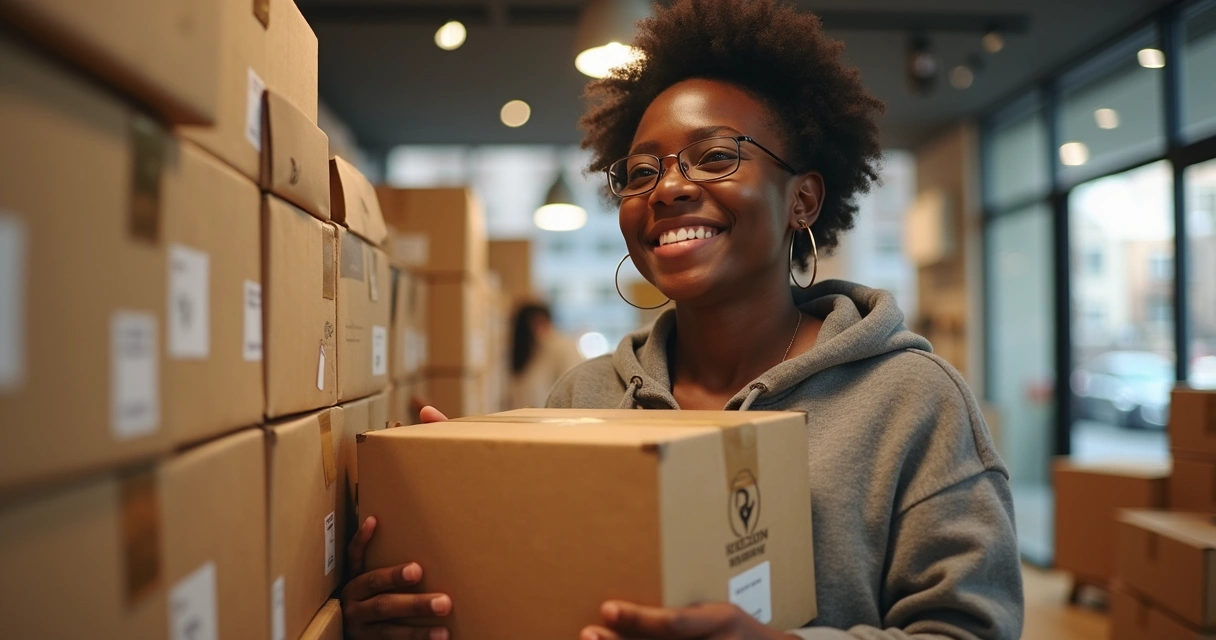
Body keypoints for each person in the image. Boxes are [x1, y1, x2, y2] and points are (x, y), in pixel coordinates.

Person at [340, 1, 1024, 638]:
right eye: (639, 172)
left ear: (803, 200)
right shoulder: (586, 397)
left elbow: (971, 628)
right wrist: (442, 547)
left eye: (717, 156)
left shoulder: (912, 401)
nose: (666, 188)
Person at [506, 302, 584, 409]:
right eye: (535, 323)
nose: (539, 328)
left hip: (552, 418)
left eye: (542, 322)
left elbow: (573, 386)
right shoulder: (528, 351)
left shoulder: (561, 345)